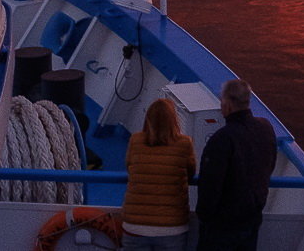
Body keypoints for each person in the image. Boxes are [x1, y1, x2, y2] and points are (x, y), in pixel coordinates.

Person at [196, 78, 279, 251]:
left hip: (222, 228)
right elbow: (270, 165)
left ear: (227, 104)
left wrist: (203, 216)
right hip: (252, 219)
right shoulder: (266, 128)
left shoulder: (222, 139)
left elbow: (210, 186)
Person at [118, 97, 197, 250]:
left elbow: (129, 166)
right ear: (174, 120)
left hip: (135, 225)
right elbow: (190, 172)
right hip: (172, 226)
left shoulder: (136, 140)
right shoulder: (184, 143)